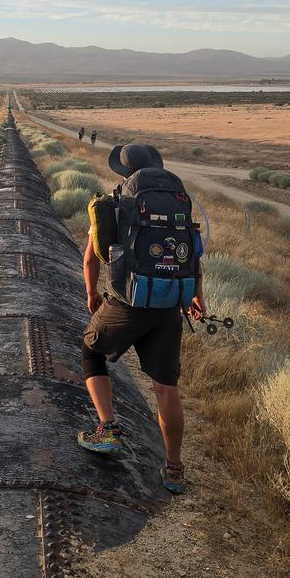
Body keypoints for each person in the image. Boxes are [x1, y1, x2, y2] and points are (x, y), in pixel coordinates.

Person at [77, 143, 204, 494]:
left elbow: (91, 259)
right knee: (166, 388)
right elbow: (194, 257)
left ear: (124, 172)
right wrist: (196, 297)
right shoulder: (179, 203)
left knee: (91, 350)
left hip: (128, 303)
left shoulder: (116, 205)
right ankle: (174, 468)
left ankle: (108, 429)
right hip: (169, 306)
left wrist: (92, 294)